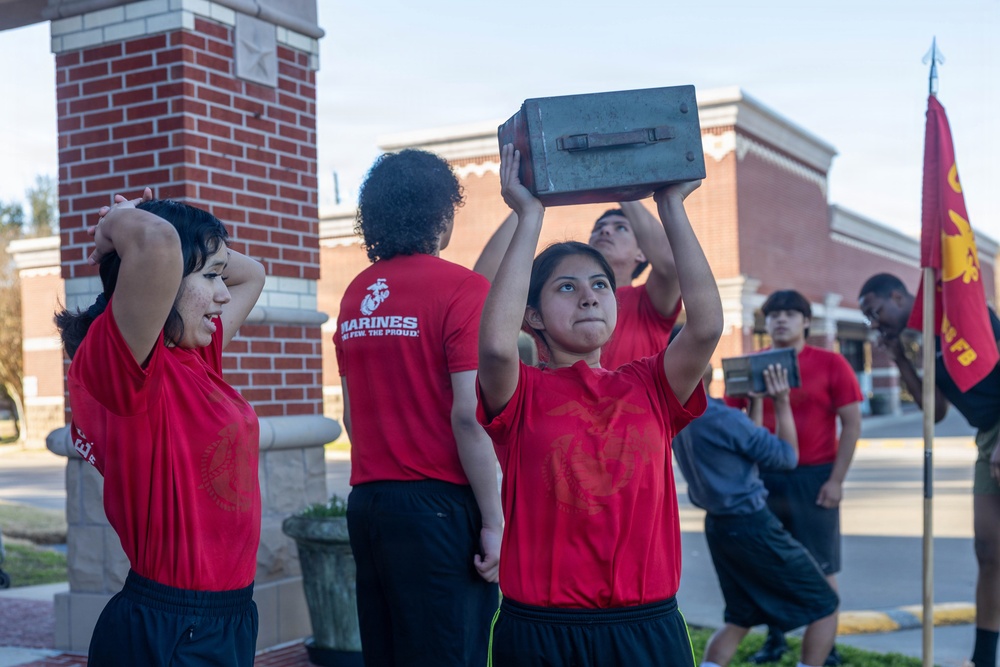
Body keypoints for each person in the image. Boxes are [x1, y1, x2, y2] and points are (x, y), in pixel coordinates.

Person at [477, 143, 722, 665]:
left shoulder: (651, 384)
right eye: (566, 287)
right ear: (534, 317)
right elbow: (495, 345)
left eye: (600, 286)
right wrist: (529, 214)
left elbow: (706, 326)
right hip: (542, 631)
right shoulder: (521, 394)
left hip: (645, 627)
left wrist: (671, 203)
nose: (589, 296)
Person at [55, 190, 266, 666]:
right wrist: (121, 222)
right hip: (171, 630)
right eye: (210, 276)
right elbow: (155, 245)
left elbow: (253, 273)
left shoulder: (195, 357)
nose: (224, 292)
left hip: (228, 616)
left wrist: (176, 234)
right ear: (165, 282)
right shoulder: (133, 373)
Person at [334, 149, 503, 666]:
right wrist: (496, 520)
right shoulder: (462, 290)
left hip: (370, 506)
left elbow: (349, 415)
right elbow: (466, 416)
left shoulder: (357, 292)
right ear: (443, 214)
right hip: (438, 508)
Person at [859, 272, 1000, 667]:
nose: (875, 323)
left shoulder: (965, 319)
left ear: (899, 296)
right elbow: (934, 412)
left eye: (876, 312)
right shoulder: (925, 343)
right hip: (987, 436)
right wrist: (901, 359)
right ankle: (984, 658)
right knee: (988, 550)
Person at [726, 289, 862, 665]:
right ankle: (775, 639)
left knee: (821, 566)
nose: (781, 320)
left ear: (806, 321)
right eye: (773, 315)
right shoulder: (748, 365)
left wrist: (836, 481)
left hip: (814, 477)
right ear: (764, 323)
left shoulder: (831, 364)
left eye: (789, 313)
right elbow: (733, 427)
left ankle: (825, 647)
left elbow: (851, 425)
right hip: (762, 479)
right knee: (769, 563)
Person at [673, 361, 839, 667]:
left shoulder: (679, 417)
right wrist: (781, 401)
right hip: (751, 525)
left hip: (719, 528)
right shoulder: (722, 417)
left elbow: (746, 448)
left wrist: (755, 406)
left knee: (739, 618)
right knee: (825, 605)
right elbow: (787, 457)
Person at [474, 197, 681, 369]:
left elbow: (673, 265)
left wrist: (623, 190)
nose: (606, 231)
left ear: (642, 252)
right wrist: (528, 205)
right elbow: (481, 287)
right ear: (535, 317)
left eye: (620, 228)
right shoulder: (552, 302)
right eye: (599, 227)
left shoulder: (647, 302)